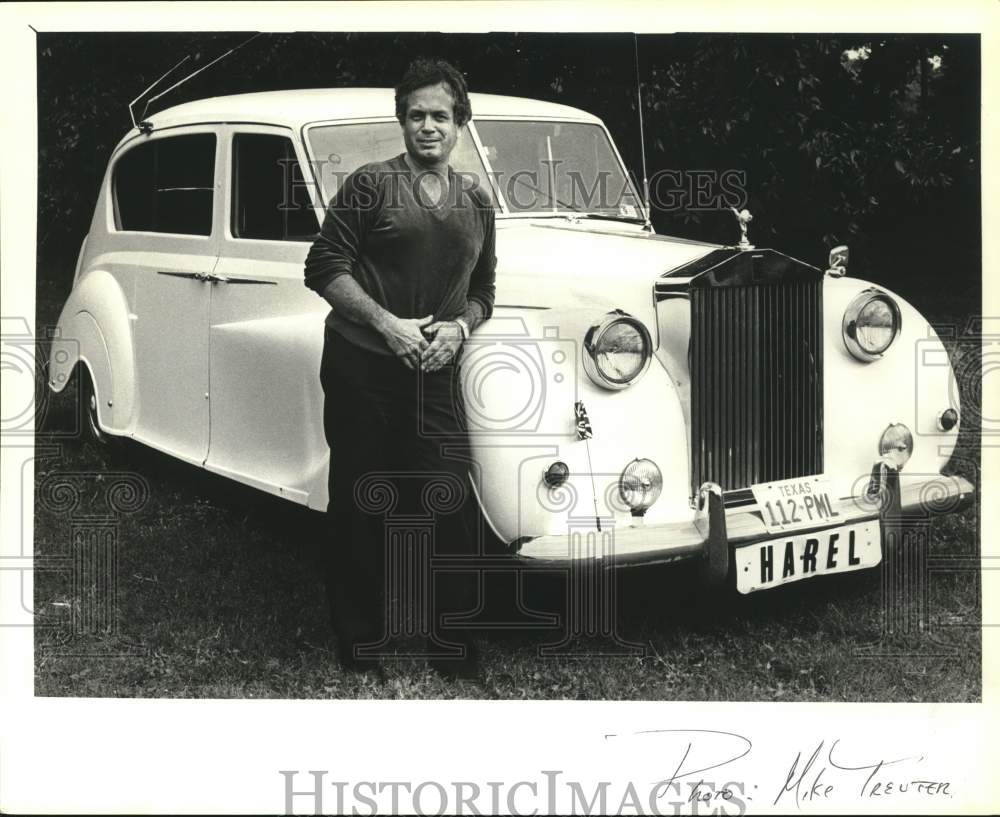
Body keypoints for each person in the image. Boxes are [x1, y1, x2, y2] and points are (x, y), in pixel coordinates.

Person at [304, 58, 496, 679]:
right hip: (362, 366)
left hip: (433, 371)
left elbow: (484, 290)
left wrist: (460, 329)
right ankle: (359, 642)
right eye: (416, 115)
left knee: (450, 500)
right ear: (402, 121)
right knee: (362, 500)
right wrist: (387, 324)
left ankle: (453, 645)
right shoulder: (370, 185)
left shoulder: (476, 200)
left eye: (440, 115)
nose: (427, 126)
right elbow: (323, 267)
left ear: (460, 123)